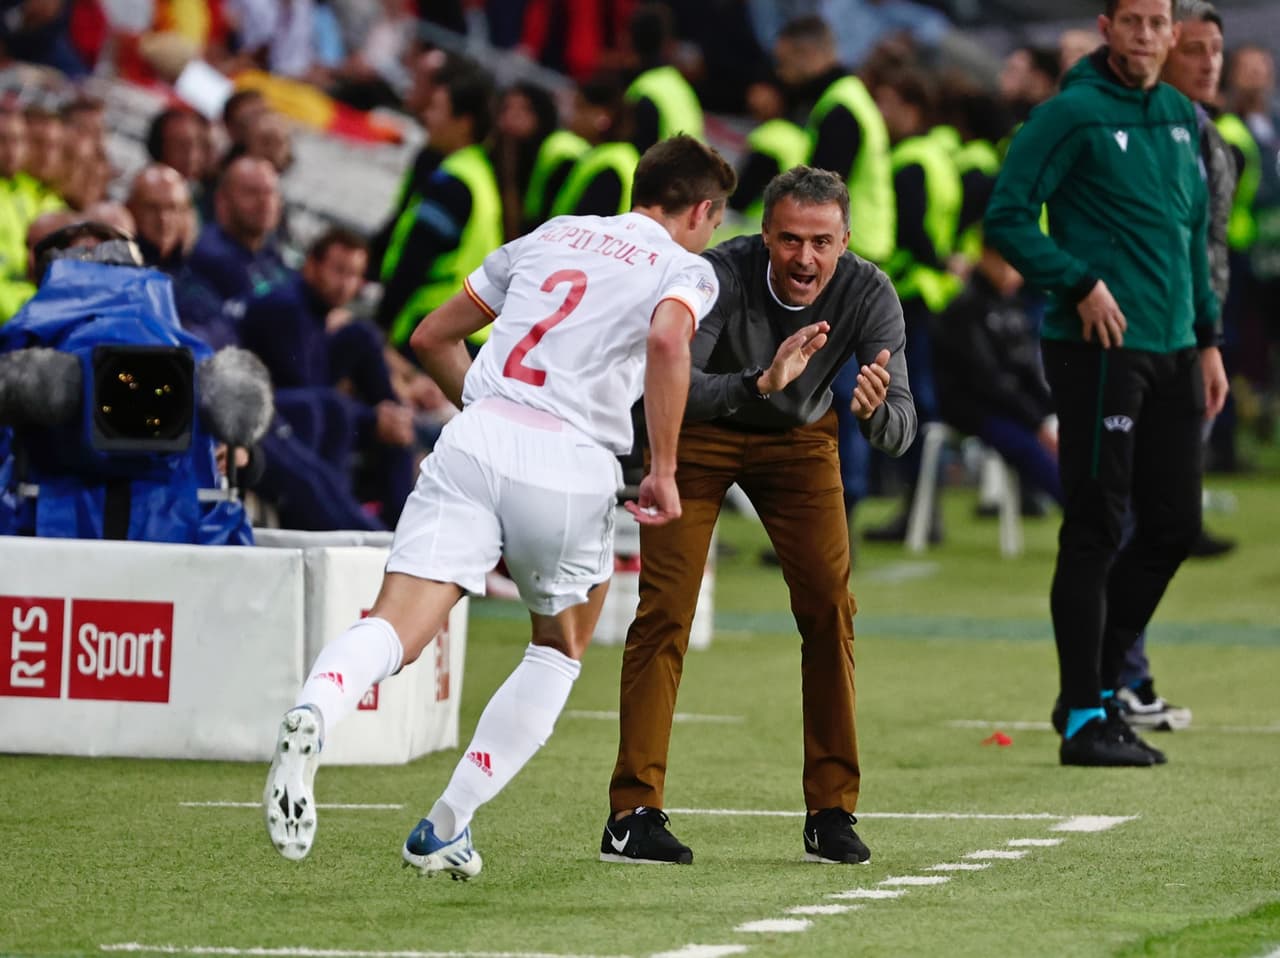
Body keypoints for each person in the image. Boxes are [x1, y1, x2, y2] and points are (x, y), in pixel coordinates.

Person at [262, 135, 738, 874]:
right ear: (702, 211)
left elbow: (429, 336)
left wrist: (490, 411)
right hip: (573, 460)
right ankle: (446, 825)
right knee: (557, 646)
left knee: (396, 626)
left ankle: (315, 708)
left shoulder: (552, 235)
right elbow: (669, 342)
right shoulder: (686, 268)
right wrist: (665, 469)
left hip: (476, 436)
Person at [602, 166, 916, 866]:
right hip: (701, 435)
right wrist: (761, 381)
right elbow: (675, 382)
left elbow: (902, 425)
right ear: (765, 235)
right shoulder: (716, 273)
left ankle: (831, 812)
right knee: (665, 611)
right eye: (790, 240)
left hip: (802, 443)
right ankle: (633, 814)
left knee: (831, 606)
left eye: (822, 242)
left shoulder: (870, 290)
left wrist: (872, 413)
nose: (806, 258)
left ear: (845, 241)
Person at [984, 0, 1228, 767]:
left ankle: (1096, 685)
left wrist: (1209, 339)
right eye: (1133, 22)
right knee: (1095, 525)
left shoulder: (1183, 116)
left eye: (1159, 23)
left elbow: (1193, 235)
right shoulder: (1069, 115)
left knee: (1175, 524)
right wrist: (1079, 280)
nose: (1148, 37)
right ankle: (1085, 714)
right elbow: (1007, 218)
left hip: (1176, 347)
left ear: (1173, 32)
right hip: (1098, 348)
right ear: (1106, 26)